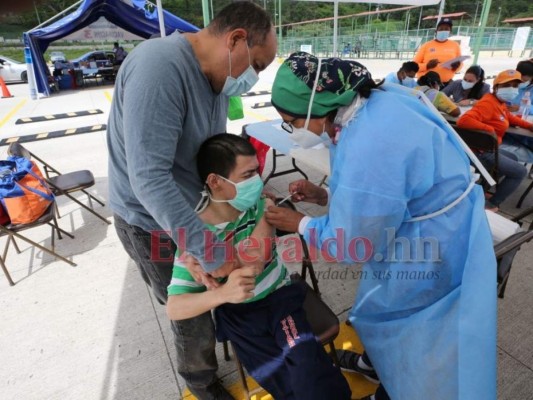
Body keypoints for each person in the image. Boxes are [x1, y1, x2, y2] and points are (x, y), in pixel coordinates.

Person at [265, 52, 496, 400]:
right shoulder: (379, 101)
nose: (293, 130)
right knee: (416, 327)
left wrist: (300, 223)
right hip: (445, 223)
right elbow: (388, 192)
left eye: (292, 121)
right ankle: (379, 367)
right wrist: (328, 196)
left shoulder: (367, 144)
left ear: (317, 104)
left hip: (430, 248)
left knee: (420, 335)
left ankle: (396, 389)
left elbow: (351, 242)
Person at [106, 2, 277, 399]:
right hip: (149, 221)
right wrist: (208, 249)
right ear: (235, 40)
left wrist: (240, 190)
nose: (255, 77)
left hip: (191, 211)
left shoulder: (216, 78)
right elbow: (148, 177)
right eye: (259, 65)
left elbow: (205, 155)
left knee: (217, 290)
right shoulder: (160, 68)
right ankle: (201, 382)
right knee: (190, 308)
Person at [167, 133, 351, 400]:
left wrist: (311, 198)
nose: (257, 182)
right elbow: (175, 307)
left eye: (257, 172)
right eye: (247, 175)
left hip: (281, 300)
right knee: (279, 379)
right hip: (240, 315)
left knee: (307, 368)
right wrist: (221, 295)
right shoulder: (199, 237)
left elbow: (255, 259)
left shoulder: (257, 205)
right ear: (215, 181)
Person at [457, 69, 533, 211]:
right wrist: (489, 130)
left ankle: (483, 186)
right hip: (481, 151)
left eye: (515, 86)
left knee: (513, 158)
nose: (512, 89)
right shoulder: (488, 103)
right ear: (496, 87)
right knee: (520, 172)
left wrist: (529, 126)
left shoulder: (500, 103)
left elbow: (509, 117)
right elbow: (464, 120)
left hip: (491, 148)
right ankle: (491, 204)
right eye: (507, 85)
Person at [413, 18, 462, 85]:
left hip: (446, 85)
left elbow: (460, 64)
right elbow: (413, 66)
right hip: (426, 84)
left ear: (450, 31)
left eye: (446, 29)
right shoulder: (426, 45)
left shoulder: (455, 45)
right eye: (441, 29)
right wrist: (427, 65)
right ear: (436, 31)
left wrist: (457, 66)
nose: (443, 31)